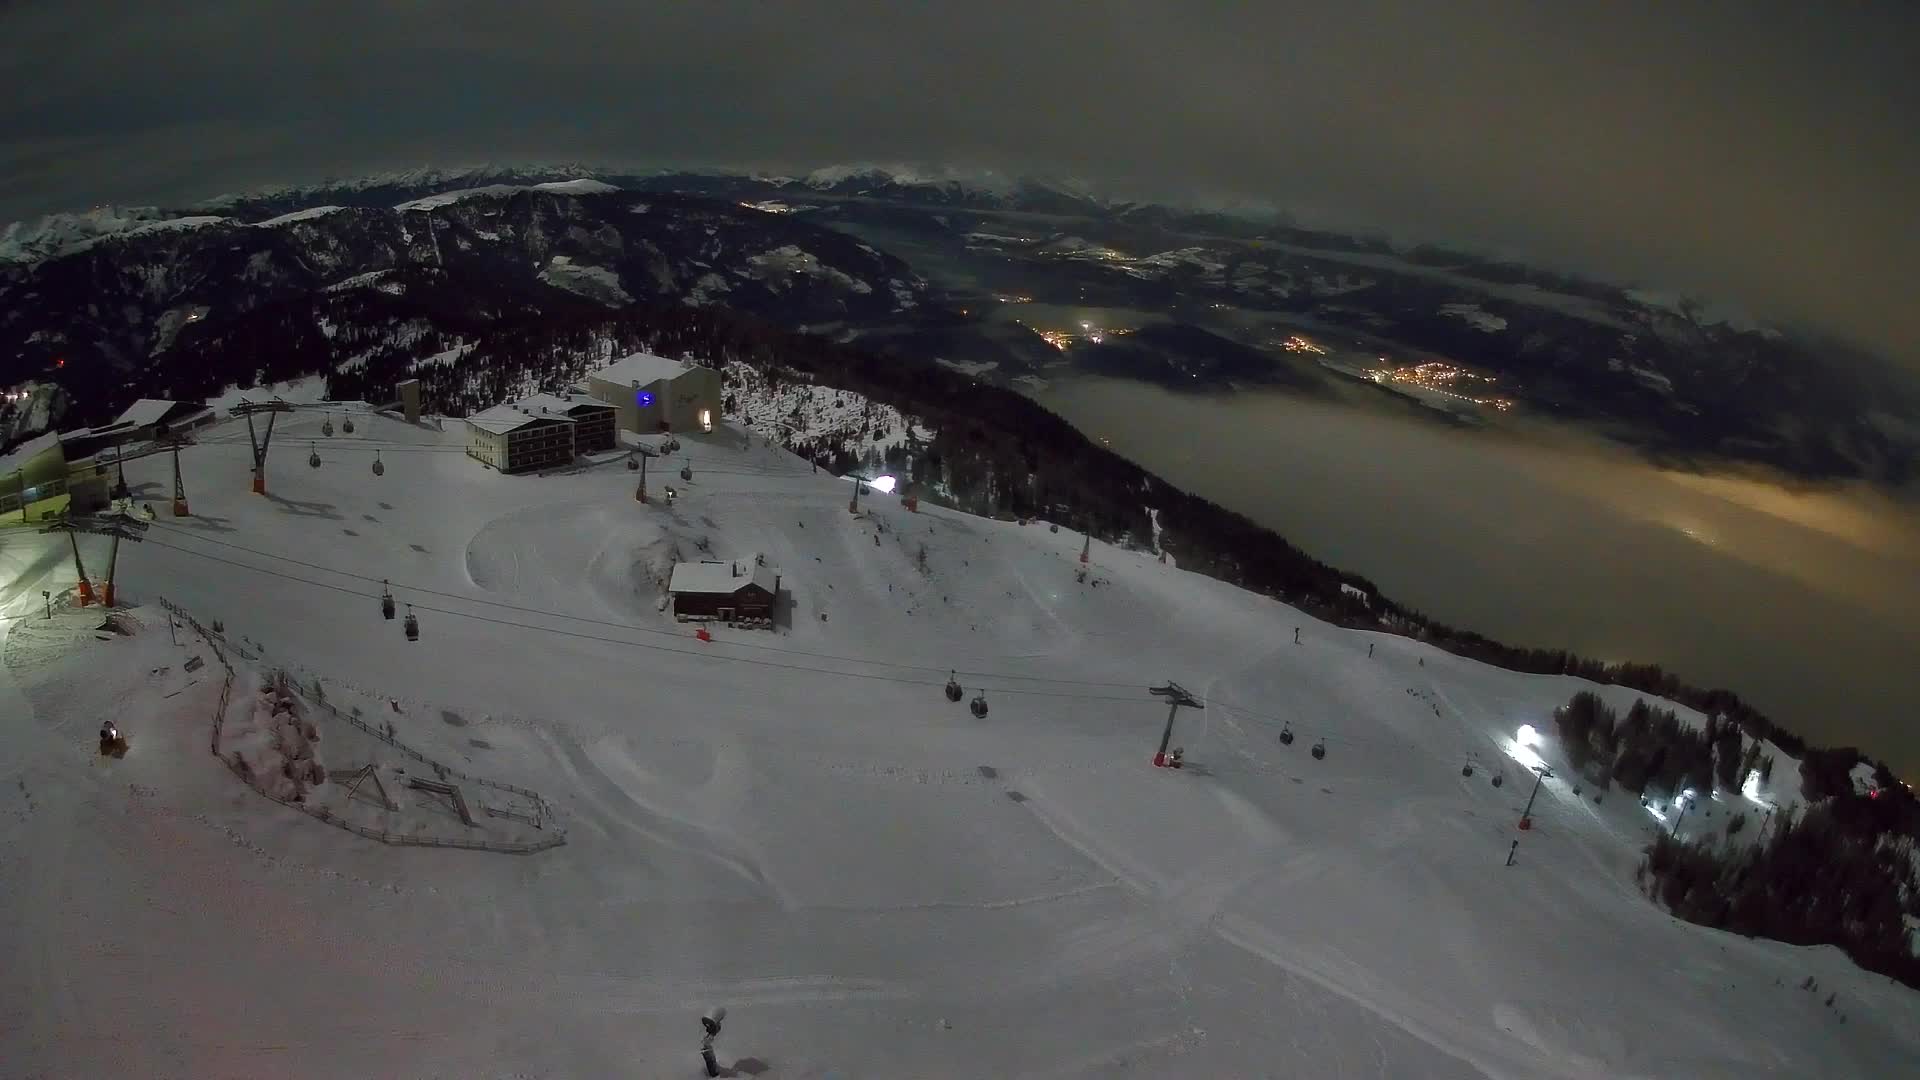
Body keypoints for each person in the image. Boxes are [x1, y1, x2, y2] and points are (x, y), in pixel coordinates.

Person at [700, 1006, 726, 1077]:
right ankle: (706, 1049)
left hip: (708, 1020)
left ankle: (706, 1048)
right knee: (707, 1045)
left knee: (707, 1043)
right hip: (710, 1021)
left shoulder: (714, 1018)